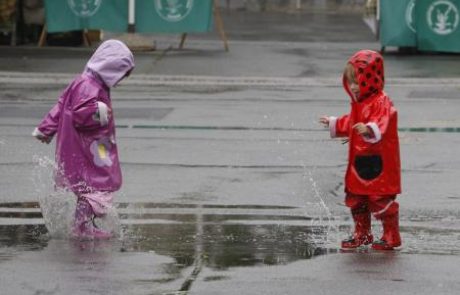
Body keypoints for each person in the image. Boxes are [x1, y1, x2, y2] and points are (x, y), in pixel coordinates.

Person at [32, 39, 135, 239]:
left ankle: (84, 224)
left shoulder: (84, 82)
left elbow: (60, 106)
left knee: (88, 189)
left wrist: (46, 129)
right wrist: (101, 112)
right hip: (88, 150)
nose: (120, 79)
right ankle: (80, 227)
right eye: (120, 74)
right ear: (109, 68)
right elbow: (82, 115)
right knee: (98, 186)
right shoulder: (90, 86)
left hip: (81, 148)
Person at [320, 50, 402, 250]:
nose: (353, 87)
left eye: (357, 81)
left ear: (370, 78)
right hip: (360, 163)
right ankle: (362, 233)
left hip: (378, 163)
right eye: (350, 82)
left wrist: (369, 129)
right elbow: (351, 122)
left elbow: (383, 121)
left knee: (379, 198)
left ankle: (391, 234)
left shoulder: (381, 101)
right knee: (356, 198)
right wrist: (335, 123)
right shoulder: (359, 104)